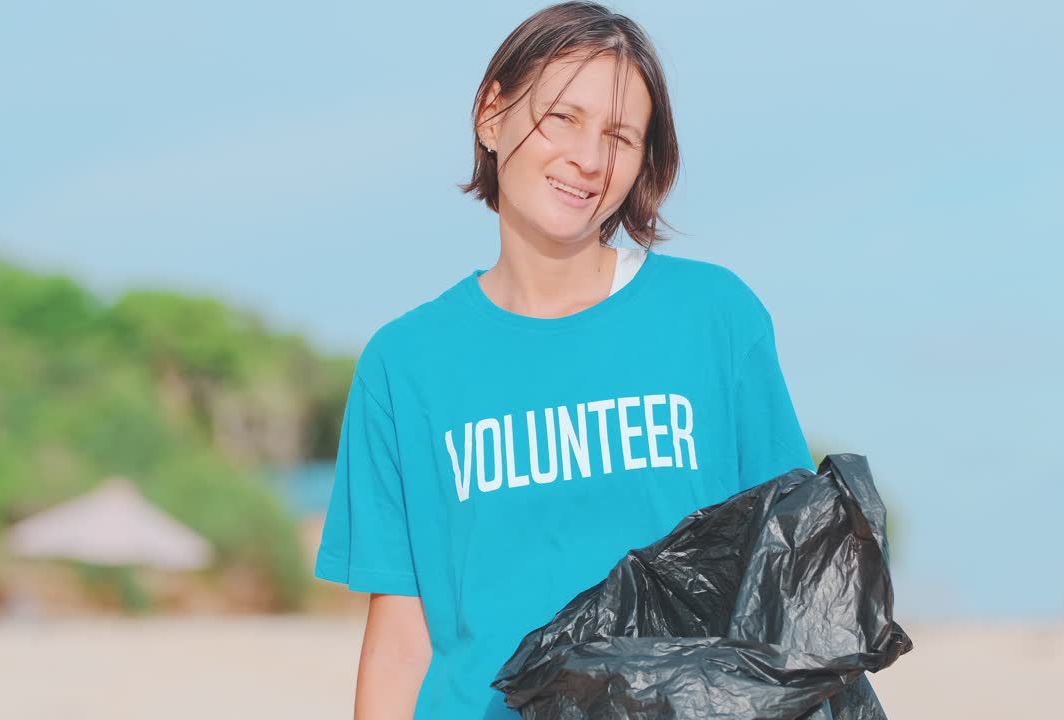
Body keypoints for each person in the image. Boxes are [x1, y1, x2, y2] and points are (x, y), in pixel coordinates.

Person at [314, 2, 815, 718]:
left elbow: (789, 580)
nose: (587, 158)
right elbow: (402, 635)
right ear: (493, 115)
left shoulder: (714, 319)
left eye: (619, 135)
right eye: (562, 119)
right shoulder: (406, 364)